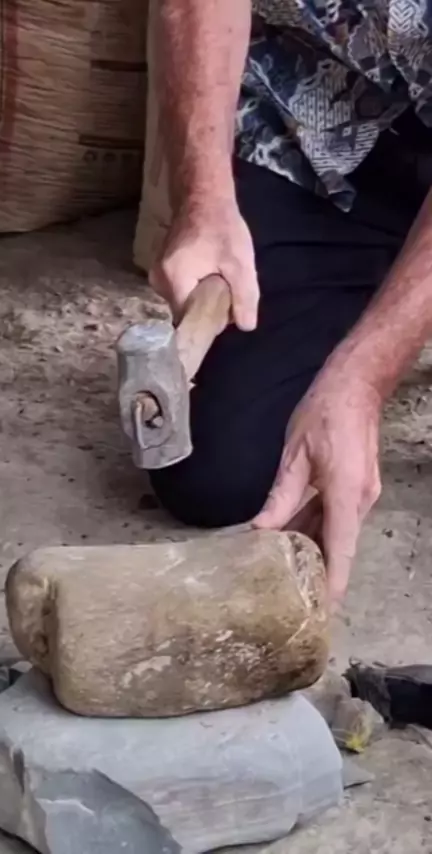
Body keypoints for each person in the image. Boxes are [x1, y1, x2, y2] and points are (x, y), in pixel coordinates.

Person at [146, 0, 432, 602]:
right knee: (220, 475)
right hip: (324, 133)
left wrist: (361, 380)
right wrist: (204, 203)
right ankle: (373, 287)